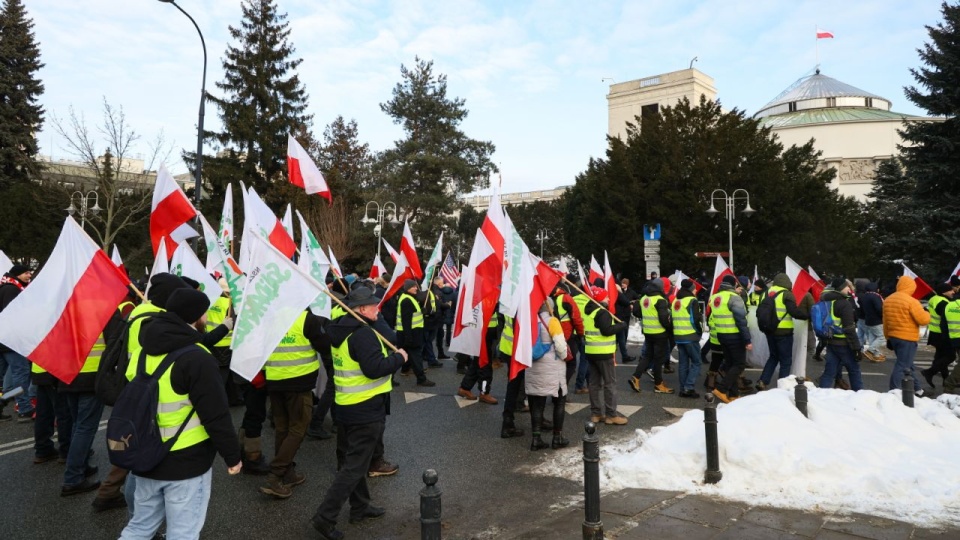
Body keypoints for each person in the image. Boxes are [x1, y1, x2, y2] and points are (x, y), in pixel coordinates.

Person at [119, 288, 242, 540]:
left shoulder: (143, 350)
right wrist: (232, 457)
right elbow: (216, 415)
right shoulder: (197, 357)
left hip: (146, 453)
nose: (207, 318)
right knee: (183, 533)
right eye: (204, 313)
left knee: (139, 527)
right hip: (185, 461)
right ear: (196, 316)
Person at [311, 288, 407, 540]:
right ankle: (325, 517)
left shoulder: (340, 328)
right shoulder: (363, 333)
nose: (378, 309)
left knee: (351, 461)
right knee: (353, 467)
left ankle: (360, 506)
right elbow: (374, 368)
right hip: (365, 409)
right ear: (361, 309)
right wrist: (399, 358)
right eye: (373, 306)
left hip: (346, 406)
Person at [58, 307, 125, 496]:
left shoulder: (66, 307)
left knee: (77, 424)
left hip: (67, 373)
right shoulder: (103, 308)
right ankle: (73, 478)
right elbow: (115, 344)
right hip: (90, 376)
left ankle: (81, 464)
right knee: (85, 427)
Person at [259, 308, 324, 499]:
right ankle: (275, 475)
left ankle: (287, 474)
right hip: (298, 382)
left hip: (274, 379)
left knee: (283, 428)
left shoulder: (268, 316)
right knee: (298, 428)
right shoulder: (305, 318)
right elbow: (324, 345)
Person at [525, 299, 570, 450]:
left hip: (532, 367)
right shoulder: (552, 321)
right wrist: (564, 356)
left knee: (537, 404)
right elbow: (560, 345)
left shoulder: (528, 322)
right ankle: (557, 437)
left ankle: (536, 439)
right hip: (553, 369)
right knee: (559, 401)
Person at [583, 287, 629, 425]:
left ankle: (596, 414)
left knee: (594, 384)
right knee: (610, 384)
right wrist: (621, 326)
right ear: (600, 298)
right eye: (606, 296)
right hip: (603, 353)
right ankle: (611, 415)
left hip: (591, 352)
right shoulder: (602, 312)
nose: (608, 298)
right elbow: (606, 330)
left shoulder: (589, 311)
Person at [756, 273, 809, 391]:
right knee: (786, 361)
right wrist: (807, 315)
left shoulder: (765, 293)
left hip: (769, 330)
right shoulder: (786, 294)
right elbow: (794, 312)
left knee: (773, 357)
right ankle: (782, 387)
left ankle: (763, 381)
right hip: (784, 332)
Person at [882, 275, 930, 395]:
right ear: (911, 287)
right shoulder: (911, 301)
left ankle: (918, 389)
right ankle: (893, 390)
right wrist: (927, 313)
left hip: (894, 336)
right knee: (903, 365)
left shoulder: (888, 299)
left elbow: (885, 321)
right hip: (907, 337)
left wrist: (888, 337)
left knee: (908, 364)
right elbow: (923, 320)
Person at [0, 263, 35, 421]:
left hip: (4, 340)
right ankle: (24, 408)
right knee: (21, 375)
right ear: (18, 274)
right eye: (27, 273)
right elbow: (13, 315)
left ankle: (3, 401)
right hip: (12, 341)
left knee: (8, 379)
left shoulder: (6, 287)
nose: (29, 276)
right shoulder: (12, 290)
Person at [710, 275, 753, 403]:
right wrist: (747, 340)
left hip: (721, 335)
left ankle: (733, 394)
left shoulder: (715, 297)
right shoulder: (734, 298)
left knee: (730, 364)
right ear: (734, 285)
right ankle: (722, 389)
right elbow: (741, 320)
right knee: (739, 365)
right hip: (735, 335)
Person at [629, 278, 674, 394]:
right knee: (658, 360)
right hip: (660, 333)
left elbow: (636, 312)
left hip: (648, 332)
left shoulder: (644, 298)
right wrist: (670, 329)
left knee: (647, 357)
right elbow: (664, 319)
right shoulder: (660, 300)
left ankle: (636, 377)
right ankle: (658, 384)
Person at [817, 279, 864, 390]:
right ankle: (860, 395)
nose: (849, 289)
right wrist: (856, 348)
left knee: (829, 371)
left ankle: (820, 396)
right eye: (847, 286)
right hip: (844, 343)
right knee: (854, 370)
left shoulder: (827, 301)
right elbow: (849, 328)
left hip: (830, 341)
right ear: (841, 288)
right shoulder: (844, 304)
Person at [396, 280, 435, 387]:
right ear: (407, 288)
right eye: (413, 287)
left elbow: (412, 316)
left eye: (415, 286)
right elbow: (406, 320)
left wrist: (421, 312)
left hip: (408, 333)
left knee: (401, 355)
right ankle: (421, 379)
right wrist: (408, 337)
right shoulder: (407, 300)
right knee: (416, 356)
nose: (416, 288)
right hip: (411, 334)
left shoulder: (408, 298)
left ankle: (402, 371)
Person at [672, 279, 703, 398]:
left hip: (679, 335)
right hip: (690, 335)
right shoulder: (692, 300)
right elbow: (694, 319)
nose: (696, 290)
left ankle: (682, 388)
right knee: (696, 362)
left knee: (683, 363)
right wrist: (698, 331)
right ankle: (689, 388)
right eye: (694, 288)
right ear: (690, 289)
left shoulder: (676, 300)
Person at [921, 283, 956, 388]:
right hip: (942, 334)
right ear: (944, 292)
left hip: (934, 333)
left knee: (940, 357)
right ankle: (930, 372)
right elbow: (948, 318)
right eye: (950, 290)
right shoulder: (943, 302)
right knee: (950, 356)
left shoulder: (934, 298)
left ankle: (946, 381)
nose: (953, 292)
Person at [859, 281, 886, 363]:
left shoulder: (865, 296)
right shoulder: (875, 296)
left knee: (873, 338)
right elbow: (879, 309)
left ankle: (876, 355)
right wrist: (883, 316)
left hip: (868, 320)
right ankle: (870, 351)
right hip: (876, 320)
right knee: (881, 337)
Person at [422, 277, 444, 367]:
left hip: (432, 320)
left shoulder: (431, 293)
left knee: (427, 341)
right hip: (430, 320)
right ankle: (430, 360)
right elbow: (438, 306)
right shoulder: (427, 294)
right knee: (427, 341)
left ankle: (428, 358)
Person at [614, 278, 638, 363]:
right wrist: (620, 292)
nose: (622, 285)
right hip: (619, 318)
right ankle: (623, 356)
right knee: (620, 338)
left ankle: (623, 356)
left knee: (621, 337)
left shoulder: (629, 291)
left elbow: (635, 298)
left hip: (621, 317)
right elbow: (626, 301)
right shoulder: (617, 293)